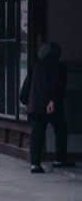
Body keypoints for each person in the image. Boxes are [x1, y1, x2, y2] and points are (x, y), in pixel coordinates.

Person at [20, 40, 70, 173]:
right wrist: (53, 100)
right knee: (61, 129)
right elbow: (58, 86)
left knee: (37, 134)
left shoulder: (36, 65)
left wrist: (25, 101)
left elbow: (27, 86)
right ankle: (60, 158)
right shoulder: (60, 67)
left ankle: (35, 164)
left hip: (36, 105)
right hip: (52, 105)